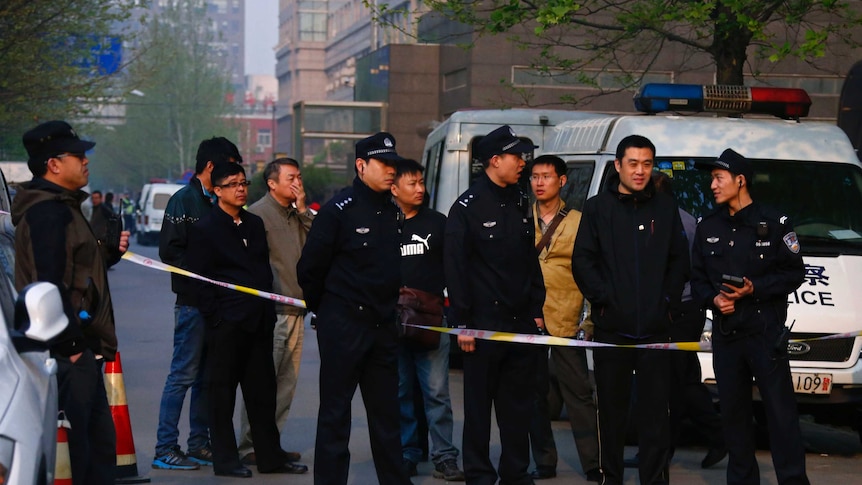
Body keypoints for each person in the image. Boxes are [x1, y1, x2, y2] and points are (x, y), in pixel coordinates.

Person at [12, 120, 130, 485]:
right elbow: (50, 283)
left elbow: (77, 274)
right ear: (53, 164)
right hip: (66, 351)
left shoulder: (64, 205)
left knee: (96, 449)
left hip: (75, 345)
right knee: (85, 453)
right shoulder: (50, 211)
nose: (86, 162)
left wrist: (107, 254)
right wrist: (74, 348)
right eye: (78, 155)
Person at [571, 134, 689, 485]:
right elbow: (583, 262)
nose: (640, 171)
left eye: (647, 164)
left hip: (656, 329)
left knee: (656, 414)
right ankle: (611, 476)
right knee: (611, 412)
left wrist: (666, 302)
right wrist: (605, 299)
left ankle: (655, 478)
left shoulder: (665, 207)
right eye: (633, 163)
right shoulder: (596, 209)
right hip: (612, 328)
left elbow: (679, 260)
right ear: (618, 165)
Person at [297, 132, 411, 485]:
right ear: (361, 166)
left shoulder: (392, 212)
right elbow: (309, 270)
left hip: (382, 327)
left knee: (386, 416)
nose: (391, 171)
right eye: (384, 164)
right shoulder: (338, 211)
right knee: (335, 415)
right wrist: (328, 311)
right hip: (344, 325)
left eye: (394, 165)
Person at [691, 149, 809, 485]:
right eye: (712, 178)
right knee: (734, 417)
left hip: (765, 334)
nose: (712, 185)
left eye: (719, 178)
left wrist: (753, 288)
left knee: (781, 416)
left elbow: (793, 273)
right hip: (727, 337)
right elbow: (697, 278)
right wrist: (713, 299)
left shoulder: (774, 224)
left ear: (740, 180)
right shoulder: (708, 225)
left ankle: (793, 480)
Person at [185, 162, 308, 478]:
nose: (240, 189)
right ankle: (225, 460)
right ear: (217, 190)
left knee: (263, 394)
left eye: (243, 183)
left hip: (259, 322)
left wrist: (265, 313)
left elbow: (262, 271)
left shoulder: (253, 224)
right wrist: (216, 317)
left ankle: (270, 457)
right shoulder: (205, 228)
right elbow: (198, 281)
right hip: (226, 325)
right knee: (222, 394)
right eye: (232, 184)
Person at [444, 125, 546, 485]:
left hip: (519, 323)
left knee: (518, 407)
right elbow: (455, 269)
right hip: (481, 323)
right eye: (516, 156)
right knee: (478, 408)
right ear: (495, 160)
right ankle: (479, 473)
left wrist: (536, 307)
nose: (523, 163)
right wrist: (462, 324)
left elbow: (528, 261)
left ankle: (515, 472)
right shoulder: (467, 208)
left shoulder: (519, 201)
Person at [153, 136, 241, 470]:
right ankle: (165, 446)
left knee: (207, 377)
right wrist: (206, 268)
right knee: (183, 375)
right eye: (230, 169)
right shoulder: (183, 202)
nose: (235, 180)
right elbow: (169, 252)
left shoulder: (222, 203)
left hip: (218, 307)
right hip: (192, 303)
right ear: (210, 167)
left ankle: (198, 443)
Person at [526, 155, 601, 483]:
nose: (539, 182)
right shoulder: (520, 219)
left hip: (566, 319)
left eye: (546, 176)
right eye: (534, 177)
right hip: (528, 320)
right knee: (533, 395)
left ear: (562, 181)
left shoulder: (579, 221)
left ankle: (593, 464)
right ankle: (544, 461)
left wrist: (589, 320)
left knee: (580, 396)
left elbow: (591, 273)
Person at [391, 159, 465, 481]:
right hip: (392, 324)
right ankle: (407, 452)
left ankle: (445, 457)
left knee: (437, 393)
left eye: (422, 182)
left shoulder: (438, 223)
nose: (421, 189)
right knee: (401, 390)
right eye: (413, 183)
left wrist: (458, 317)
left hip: (431, 322)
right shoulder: (383, 224)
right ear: (394, 188)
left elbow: (455, 269)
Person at [240, 157, 314, 466]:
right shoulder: (257, 215)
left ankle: (272, 442)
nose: (297, 182)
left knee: (286, 383)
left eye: (299, 177)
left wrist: (302, 209)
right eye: (291, 178)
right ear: (272, 183)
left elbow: (318, 244)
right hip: (273, 310)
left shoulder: (297, 214)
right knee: (263, 383)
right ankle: (249, 446)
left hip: (298, 310)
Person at [650, 171, 726, 469]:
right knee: (681, 378)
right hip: (685, 307)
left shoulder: (675, 223)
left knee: (675, 381)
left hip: (678, 308)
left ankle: (713, 436)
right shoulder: (688, 219)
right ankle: (665, 448)